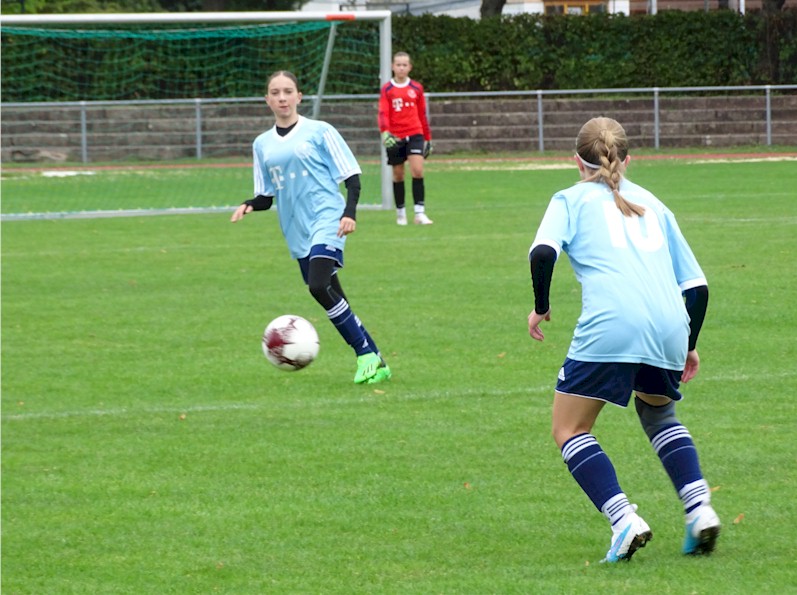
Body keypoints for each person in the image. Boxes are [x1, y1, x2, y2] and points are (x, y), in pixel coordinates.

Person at [527, 117, 720, 562]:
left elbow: (542, 252)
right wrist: (688, 343)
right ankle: (700, 510)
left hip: (612, 323)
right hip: (671, 323)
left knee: (569, 427)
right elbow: (698, 286)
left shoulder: (569, 198)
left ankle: (624, 520)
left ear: (576, 162)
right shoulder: (655, 203)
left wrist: (541, 305)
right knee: (658, 415)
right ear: (627, 160)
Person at [231, 71, 391, 385]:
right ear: (267, 100)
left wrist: (349, 213)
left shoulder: (319, 131)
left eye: (287, 91)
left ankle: (364, 354)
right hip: (295, 228)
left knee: (318, 286)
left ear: (299, 96)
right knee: (331, 292)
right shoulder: (262, 144)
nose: (281, 98)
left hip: (327, 217)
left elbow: (352, 177)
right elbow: (267, 195)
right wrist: (249, 204)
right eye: (275, 92)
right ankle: (377, 360)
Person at [378, 51, 434, 226]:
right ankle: (401, 213)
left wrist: (428, 138)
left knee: (417, 170)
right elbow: (383, 112)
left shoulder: (416, 88)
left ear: (409, 67)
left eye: (405, 65)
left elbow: (422, 114)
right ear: (393, 66)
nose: (401, 68)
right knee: (398, 174)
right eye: (398, 64)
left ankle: (419, 213)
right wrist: (385, 131)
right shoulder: (387, 89)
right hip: (395, 136)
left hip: (415, 133)